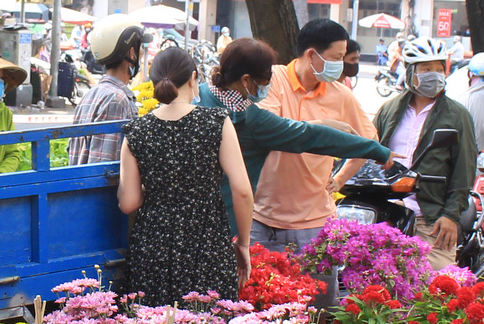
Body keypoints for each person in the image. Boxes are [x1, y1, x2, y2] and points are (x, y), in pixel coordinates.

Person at [118, 47, 254, 301]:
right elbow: (243, 191)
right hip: (207, 242)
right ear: (193, 78)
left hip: (152, 246)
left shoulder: (137, 131)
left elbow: (128, 203)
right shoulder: (215, 122)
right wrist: (243, 244)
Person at [198, 38, 392, 200]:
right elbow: (311, 137)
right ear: (246, 80)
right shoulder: (252, 121)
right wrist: (377, 151)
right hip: (225, 224)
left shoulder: (197, 98)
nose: (267, 87)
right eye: (265, 81)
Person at [253, 18, 376, 250]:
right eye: (337, 58)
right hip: (262, 218)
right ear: (311, 55)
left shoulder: (341, 95)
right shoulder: (273, 80)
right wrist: (320, 125)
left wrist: (340, 179)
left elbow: (368, 141)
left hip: (316, 222)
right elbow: (268, 130)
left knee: (318, 287)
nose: (342, 65)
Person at [371, 36, 476, 254]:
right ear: (410, 72)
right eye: (426, 69)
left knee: (439, 282)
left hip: (430, 217)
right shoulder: (388, 110)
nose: (434, 75)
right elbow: (369, 152)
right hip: (387, 211)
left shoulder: (457, 115)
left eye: (438, 68)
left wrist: (450, 216)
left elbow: (463, 171)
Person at [70, 21, 143, 165]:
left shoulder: (93, 93)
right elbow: (104, 167)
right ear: (131, 53)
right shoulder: (116, 99)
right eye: (139, 49)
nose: (141, 54)